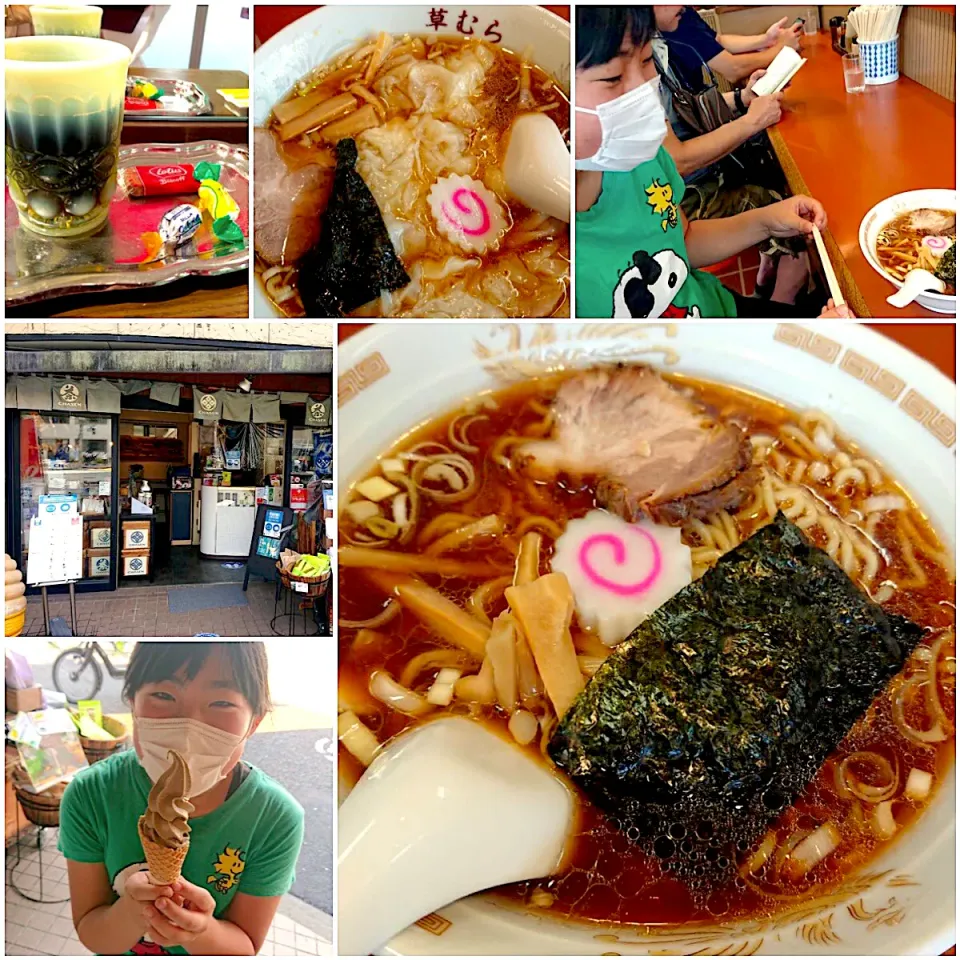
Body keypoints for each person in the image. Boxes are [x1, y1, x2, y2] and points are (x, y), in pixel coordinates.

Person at [575, 6, 850, 319]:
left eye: (647, 60)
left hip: (716, 306)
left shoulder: (643, 160)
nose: (644, 92)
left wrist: (767, 221)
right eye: (613, 77)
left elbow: (683, 239)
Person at [59, 642, 305, 955]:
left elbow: (245, 946)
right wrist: (133, 910)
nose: (189, 726)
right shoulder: (89, 794)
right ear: (133, 704)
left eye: (220, 703)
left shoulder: (275, 818)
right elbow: (92, 933)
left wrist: (202, 931)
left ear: (253, 723)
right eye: (163, 695)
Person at [652, 5, 811, 306]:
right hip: (682, 196)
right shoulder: (636, 64)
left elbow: (686, 114)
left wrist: (742, 99)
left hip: (691, 179)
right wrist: (750, 121)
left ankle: (765, 279)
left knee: (769, 169)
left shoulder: (654, 45)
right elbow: (676, 161)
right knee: (791, 219)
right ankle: (781, 306)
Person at [657, 5, 802, 88]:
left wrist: (765, 39)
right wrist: (781, 49)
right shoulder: (671, 20)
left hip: (700, 105)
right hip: (691, 120)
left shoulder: (682, 12)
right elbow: (733, 69)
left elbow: (718, 40)